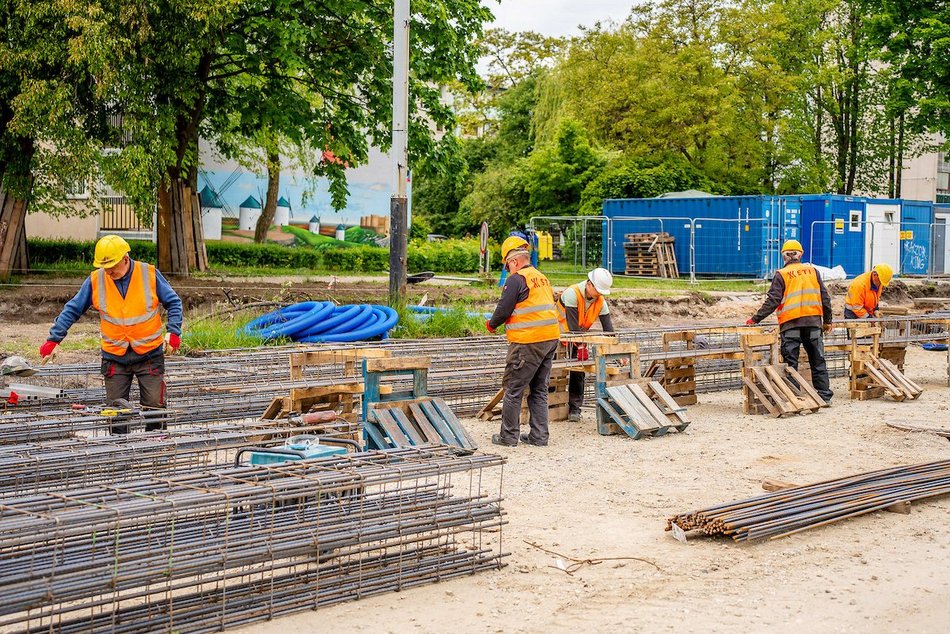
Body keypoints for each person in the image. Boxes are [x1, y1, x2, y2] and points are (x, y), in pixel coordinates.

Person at [39, 235, 183, 432]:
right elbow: (72, 309)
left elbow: (174, 302)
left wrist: (173, 332)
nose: (108, 271)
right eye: (105, 267)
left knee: (154, 409)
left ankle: (154, 452)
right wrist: (54, 339)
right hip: (115, 357)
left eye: (112, 266)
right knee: (116, 412)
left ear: (125, 259)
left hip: (149, 355)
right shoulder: (96, 280)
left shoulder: (148, 273)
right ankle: (120, 454)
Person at [486, 236, 561, 447]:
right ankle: (539, 437)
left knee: (513, 388)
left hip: (528, 341)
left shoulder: (516, 279)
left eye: (507, 265)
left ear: (513, 261)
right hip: (550, 339)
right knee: (539, 389)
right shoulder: (541, 277)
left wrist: (491, 325)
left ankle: (508, 437)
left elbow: (503, 310)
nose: (508, 269)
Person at [746, 239, 833, 403]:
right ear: (801, 254)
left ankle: (795, 397)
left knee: (790, 365)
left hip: (790, 325)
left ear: (784, 256)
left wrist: (754, 319)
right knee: (818, 360)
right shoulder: (813, 271)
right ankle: (824, 396)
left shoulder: (781, 274)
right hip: (814, 323)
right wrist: (827, 321)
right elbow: (825, 298)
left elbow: (773, 301)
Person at [556, 267, 615, 421]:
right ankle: (553, 406)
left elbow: (608, 330)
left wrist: (615, 350)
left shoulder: (600, 301)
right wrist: (581, 345)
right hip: (558, 334)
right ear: (589, 284)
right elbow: (572, 326)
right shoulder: (572, 293)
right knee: (554, 371)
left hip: (578, 336)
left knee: (578, 370)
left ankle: (574, 409)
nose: (600, 295)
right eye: (599, 291)